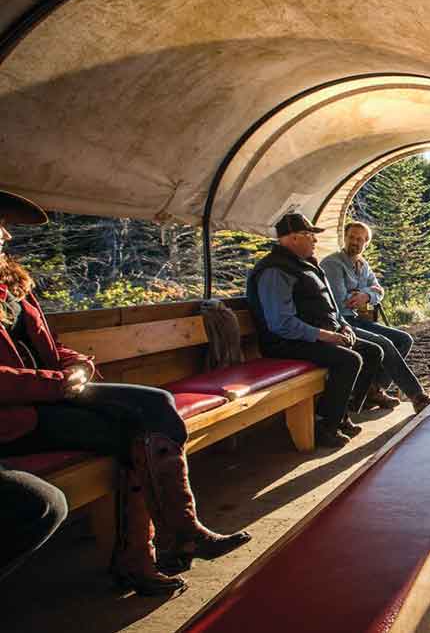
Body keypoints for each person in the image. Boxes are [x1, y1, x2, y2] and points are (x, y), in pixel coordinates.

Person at [0, 190, 248, 595]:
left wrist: (76, 363)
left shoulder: (14, 287)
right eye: (1, 226)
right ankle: (152, 552)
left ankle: (162, 543)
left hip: (51, 394)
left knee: (153, 405)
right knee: (133, 432)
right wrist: (57, 383)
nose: (7, 237)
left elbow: (51, 345)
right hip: (17, 412)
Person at [245, 212, 384, 448]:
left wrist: (344, 326)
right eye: (310, 235)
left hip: (319, 334)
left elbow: (330, 307)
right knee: (349, 361)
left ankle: (340, 413)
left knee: (373, 352)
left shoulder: (306, 266)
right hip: (286, 343)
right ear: (293, 238)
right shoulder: (275, 271)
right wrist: (328, 336)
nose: (315, 241)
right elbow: (282, 324)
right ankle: (324, 425)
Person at [320, 222, 430, 412]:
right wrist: (362, 294)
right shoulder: (333, 264)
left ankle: (374, 390)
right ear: (344, 238)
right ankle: (417, 396)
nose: (354, 242)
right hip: (340, 322)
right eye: (351, 237)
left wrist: (365, 294)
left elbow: (379, 291)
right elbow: (341, 302)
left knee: (404, 339)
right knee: (384, 343)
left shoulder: (363, 265)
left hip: (357, 319)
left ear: (366, 243)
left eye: (360, 239)